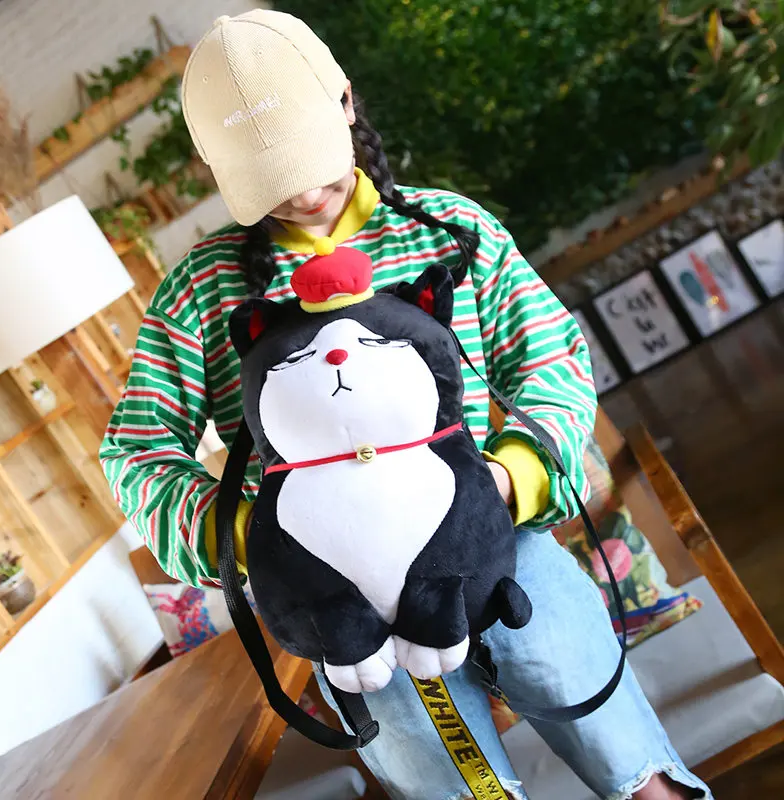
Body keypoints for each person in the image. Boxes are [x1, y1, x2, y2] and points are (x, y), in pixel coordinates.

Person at [100, 10, 712, 800]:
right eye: (271, 179)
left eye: (311, 162)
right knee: (444, 772)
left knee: (573, 675)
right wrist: (251, 542)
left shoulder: (451, 230)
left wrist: (509, 482)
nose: (303, 194)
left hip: (495, 543)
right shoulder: (201, 292)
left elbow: (551, 359)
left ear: (346, 101)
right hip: (341, 602)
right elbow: (136, 450)